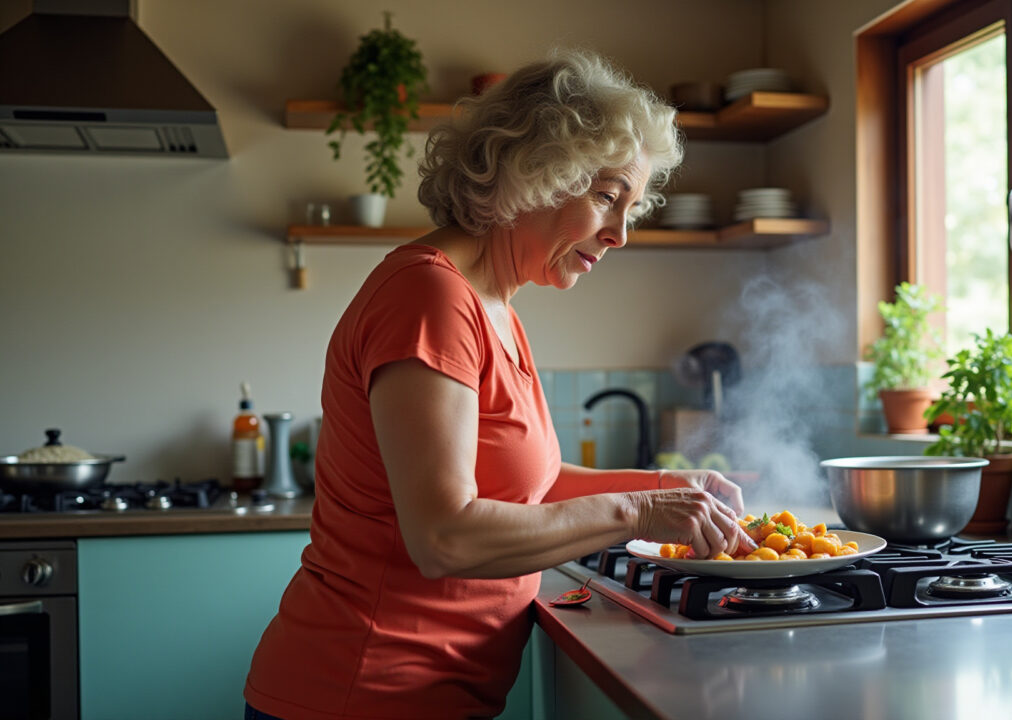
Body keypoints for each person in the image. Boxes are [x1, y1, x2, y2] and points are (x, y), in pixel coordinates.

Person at [243, 49, 754, 720]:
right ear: (537, 175)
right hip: (362, 694)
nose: (622, 233)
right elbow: (445, 536)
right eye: (606, 196)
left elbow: (526, 489)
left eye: (632, 207)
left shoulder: (493, 306)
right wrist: (639, 514)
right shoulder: (429, 297)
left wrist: (668, 490)